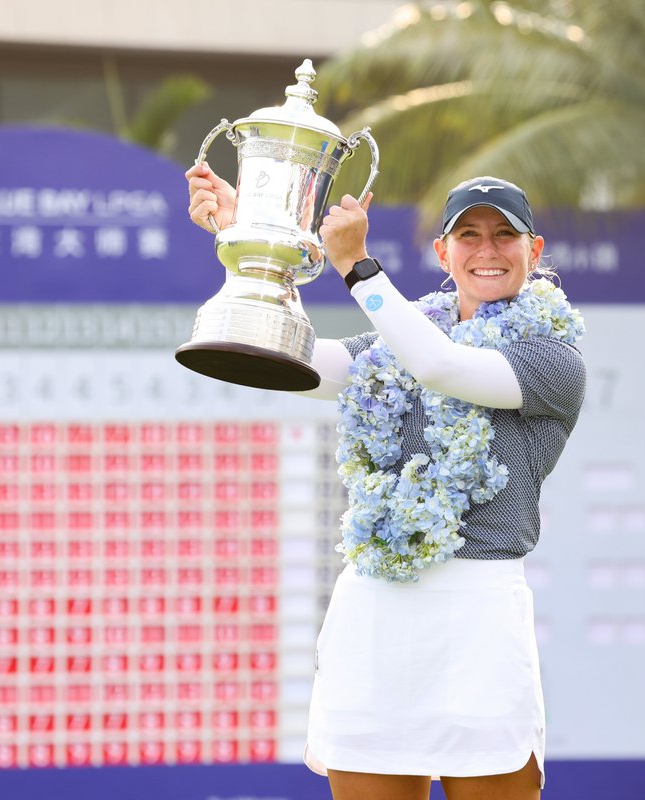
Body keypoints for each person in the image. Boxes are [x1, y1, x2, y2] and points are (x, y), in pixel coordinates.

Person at [186, 164, 586, 800]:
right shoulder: (396, 339)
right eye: (469, 235)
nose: (487, 251)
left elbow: (441, 366)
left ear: (533, 252)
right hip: (373, 611)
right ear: (442, 252)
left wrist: (359, 270)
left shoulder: (554, 357)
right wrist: (251, 252)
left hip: (477, 616)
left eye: (504, 236)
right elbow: (294, 362)